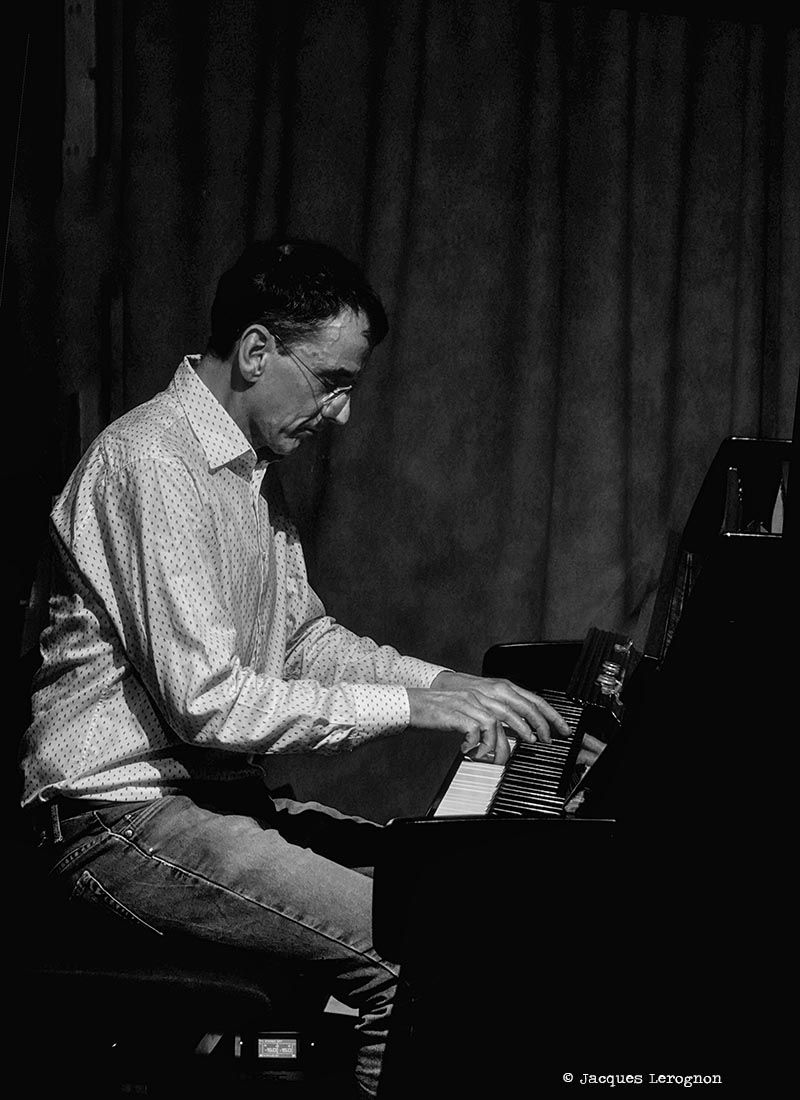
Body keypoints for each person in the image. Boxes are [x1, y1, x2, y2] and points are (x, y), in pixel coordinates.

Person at [19, 239, 573, 1098]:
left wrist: (440, 684)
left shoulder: (244, 473)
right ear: (255, 351)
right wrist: (408, 710)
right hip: (117, 821)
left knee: (448, 896)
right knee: (414, 957)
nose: (342, 413)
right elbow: (209, 705)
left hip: (202, 802)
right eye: (332, 381)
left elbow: (304, 640)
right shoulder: (153, 463)